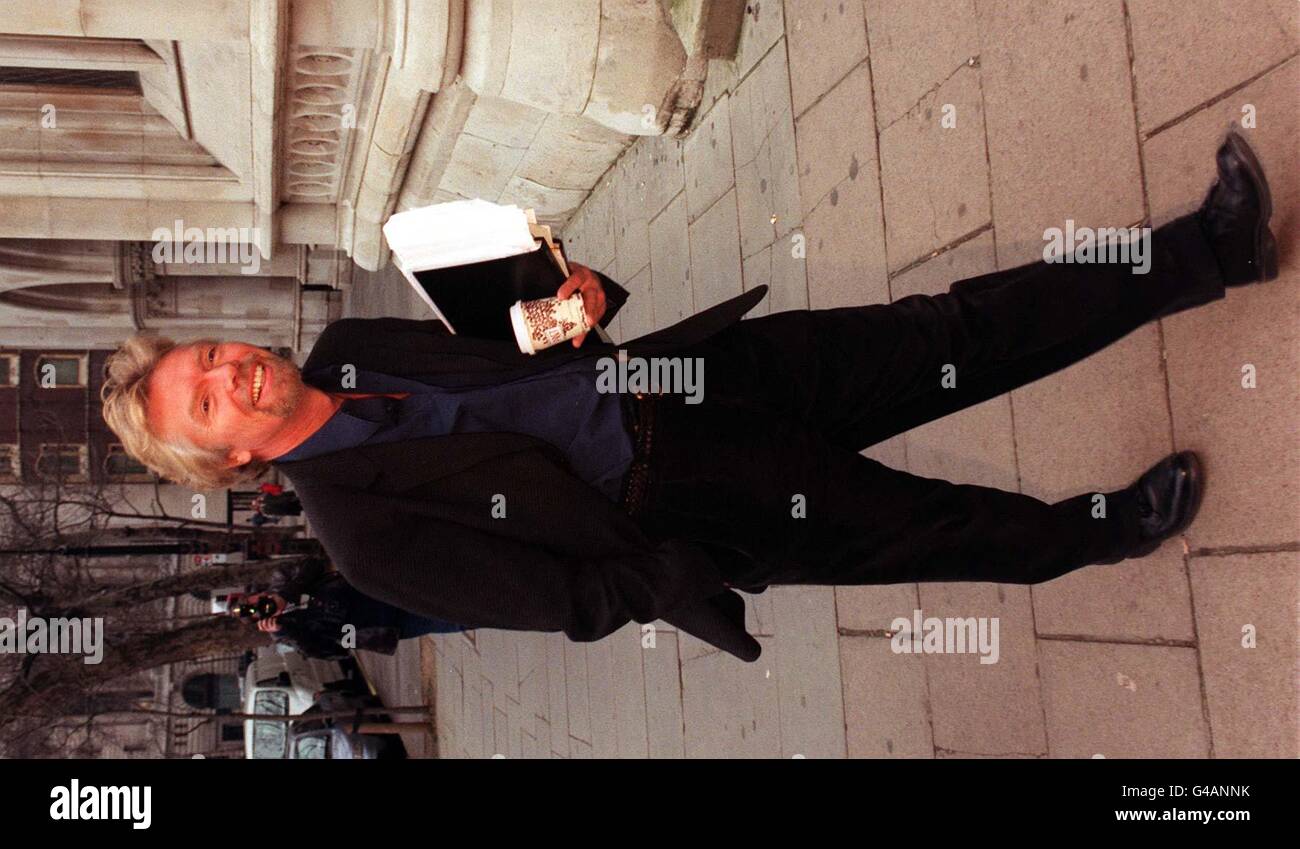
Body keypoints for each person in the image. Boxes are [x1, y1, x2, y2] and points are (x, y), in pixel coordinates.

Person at [101, 132, 1281, 662]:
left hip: (686, 375)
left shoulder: (353, 340)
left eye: (210, 355)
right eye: (206, 402)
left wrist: (567, 300)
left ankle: (1204, 253)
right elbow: (567, 600)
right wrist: (679, 565)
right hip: (693, 492)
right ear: (230, 464)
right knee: (932, 525)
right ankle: (1108, 533)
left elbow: (516, 346)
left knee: (948, 333)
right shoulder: (362, 538)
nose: (228, 373)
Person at [224, 556, 467, 661]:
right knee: (457, 618)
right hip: (386, 625)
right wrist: (288, 631)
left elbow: (313, 564)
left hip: (382, 587)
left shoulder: (281, 580)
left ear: (254, 595)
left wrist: (285, 594)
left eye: (253, 603)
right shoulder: (287, 631)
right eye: (255, 613)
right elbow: (332, 652)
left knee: (451, 584)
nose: (259, 607)